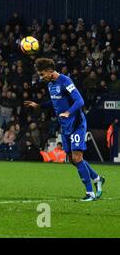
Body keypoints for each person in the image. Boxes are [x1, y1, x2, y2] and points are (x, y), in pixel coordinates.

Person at [24, 58, 105, 201]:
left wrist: (68, 112)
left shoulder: (65, 81)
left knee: (77, 158)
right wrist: (39, 106)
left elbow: (80, 101)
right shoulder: (50, 84)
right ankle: (97, 178)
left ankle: (90, 193)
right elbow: (55, 102)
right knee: (72, 160)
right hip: (65, 125)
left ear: (50, 70)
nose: (42, 77)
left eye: (43, 74)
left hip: (76, 123)